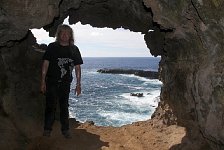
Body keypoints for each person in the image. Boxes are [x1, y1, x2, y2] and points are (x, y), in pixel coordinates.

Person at [40, 24, 83, 138]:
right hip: (52, 81)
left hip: (65, 83)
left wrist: (78, 85)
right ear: (58, 35)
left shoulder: (74, 49)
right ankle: (47, 129)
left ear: (70, 35)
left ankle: (65, 130)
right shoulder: (52, 47)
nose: (64, 35)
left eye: (67, 33)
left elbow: (77, 67)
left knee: (64, 106)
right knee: (50, 106)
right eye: (62, 33)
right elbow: (46, 63)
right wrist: (43, 81)